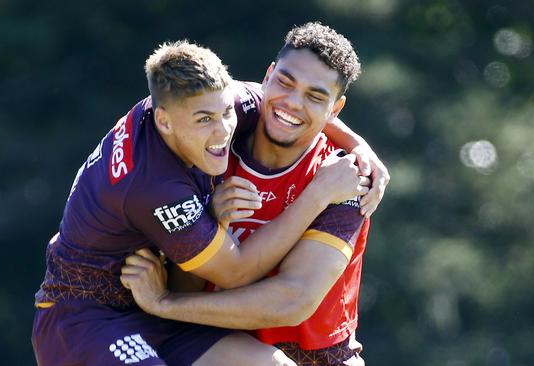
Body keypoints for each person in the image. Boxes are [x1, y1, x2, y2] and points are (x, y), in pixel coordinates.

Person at [32, 38, 384, 366]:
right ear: (164, 121)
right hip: (89, 316)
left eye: (224, 115)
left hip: (175, 320)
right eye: (204, 121)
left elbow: (293, 300)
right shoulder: (158, 186)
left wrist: (359, 146)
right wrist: (317, 195)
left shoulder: (225, 108)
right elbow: (236, 270)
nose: (221, 133)